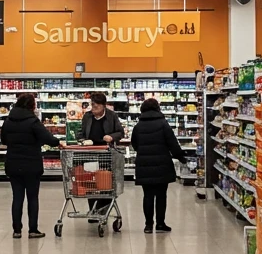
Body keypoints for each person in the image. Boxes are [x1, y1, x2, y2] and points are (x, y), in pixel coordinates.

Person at [0, 92, 61, 238]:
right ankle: (33, 230)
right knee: (32, 198)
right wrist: (58, 142)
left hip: (13, 164)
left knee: (17, 197)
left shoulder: (8, 120)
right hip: (31, 165)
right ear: (31, 106)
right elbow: (48, 139)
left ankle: (16, 230)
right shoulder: (33, 121)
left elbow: (3, 140)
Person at [130, 97, 187, 234]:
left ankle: (148, 225)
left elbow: (134, 144)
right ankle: (160, 224)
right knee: (161, 195)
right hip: (162, 164)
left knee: (147, 195)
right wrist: (181, 157)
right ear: (157, 109)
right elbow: (172, 144)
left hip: (144, 165)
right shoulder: (163, 124)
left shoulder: (138, 126)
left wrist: (144, 152)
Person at [80, 92, 125, 221]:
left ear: (103, 106)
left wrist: (112, 137)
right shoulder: (87, 117)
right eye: (92, 105)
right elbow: (81, 132)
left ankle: (102, 211)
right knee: (91, 183)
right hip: (90, 155)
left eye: (96, 106)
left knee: (105, 183)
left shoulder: (111, 116)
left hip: (106, 155)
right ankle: (93, 211)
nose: (93, 109)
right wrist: (83, 140)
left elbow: (120, 132)